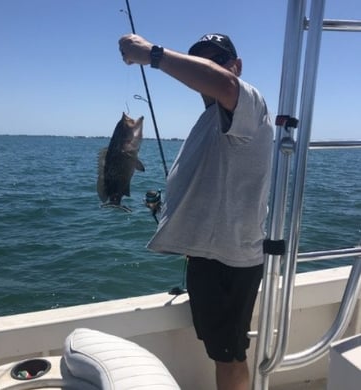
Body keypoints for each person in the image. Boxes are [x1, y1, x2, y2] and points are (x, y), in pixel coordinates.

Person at [119, 32, 273, 390]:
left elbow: (225, 83)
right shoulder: (210, 119)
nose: (210, 66)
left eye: (216, 59)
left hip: (229, 262)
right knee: (222, 352)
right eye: (201, 59)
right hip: (207, 258)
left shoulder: (249, 102)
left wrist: (153, 55)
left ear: (236, 66)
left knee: (230, 356)